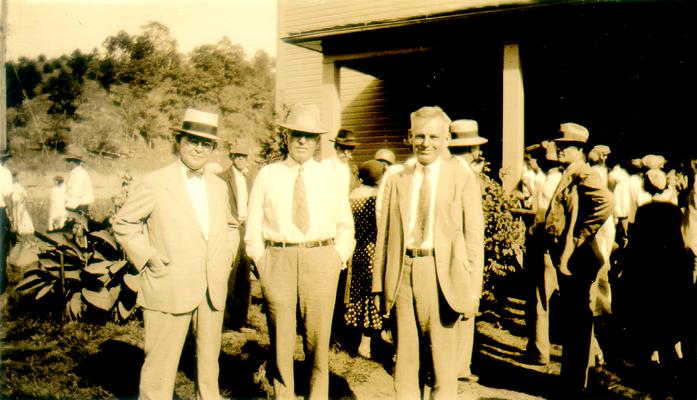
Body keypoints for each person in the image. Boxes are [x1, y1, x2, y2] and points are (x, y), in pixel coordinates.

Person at [113, 108, 239, 400]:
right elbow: (124, 223)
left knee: (209, 370)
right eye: (192, 140)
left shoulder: (218, 186)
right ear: (179, 141)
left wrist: (226, 257)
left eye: (205, 143)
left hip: (211, 289)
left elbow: (232, 227)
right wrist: (150, 257)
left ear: (212, 148)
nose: (198, 147)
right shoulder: (156, 181)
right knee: (160, 369)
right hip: (169, 282)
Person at [245, 104, 355, 399]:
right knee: (280, 335)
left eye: (309, 135)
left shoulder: (329, 176)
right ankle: (283, 394)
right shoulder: (268, 175)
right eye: (297, 134)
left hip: (320, 260)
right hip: (278, 259)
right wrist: (261, 260)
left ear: (318, 141)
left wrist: (337, 257)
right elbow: (253, 225)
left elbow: (346, 225)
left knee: (318, 339)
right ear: (287, 137)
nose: (303, 141)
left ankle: (317, 394)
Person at [373, 106, 479, 399]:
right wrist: (379, 286)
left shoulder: (462, 177)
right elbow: (385, 237)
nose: (425, 143)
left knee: (443, 369)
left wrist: (472, 291)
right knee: (405, 365)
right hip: (404, 275)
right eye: (419, 135)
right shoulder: (397, 178)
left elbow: (473, 239)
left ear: (446, 138)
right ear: (409, 137)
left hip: (441, 277)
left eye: (433, 136)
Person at [543, 122, 614, 396]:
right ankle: (571, 380)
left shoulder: (584, 172)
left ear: (580, 149)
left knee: (578, 321)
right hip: (569, 255)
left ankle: (575, 384)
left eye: (565, 147)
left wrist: (581, 235)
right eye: (559, 146)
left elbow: (605, 203)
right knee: (572, 320)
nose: (559, 151)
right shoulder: (570, 172)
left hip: (578, 257)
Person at [620, 168, 692, 371]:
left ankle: (651, 353)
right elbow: (680, 242)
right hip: (670, 267)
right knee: (667, 311)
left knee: (650, 310)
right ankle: (667, 352)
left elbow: (637, 244)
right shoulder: (674, 211)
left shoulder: (644, 211)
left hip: (649, 268)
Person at [447, 119, 486, 382]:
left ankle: (446, 364)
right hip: (464, 250)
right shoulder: (467, 176)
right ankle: (459, 367)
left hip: (445, 251)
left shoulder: (445, 170)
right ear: (472, 149)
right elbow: (472, 225)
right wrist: (473, 260)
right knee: (466, 307)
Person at [525, 141, 562, 365]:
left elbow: (540, 217)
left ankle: (540, 350)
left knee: (541, 300)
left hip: (546, 247)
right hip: (560, 247)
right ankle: (593, 352)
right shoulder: (564, 180)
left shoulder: (549, 183)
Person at [344, 159, 386, 359]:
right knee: (372, 296)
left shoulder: (352, 196)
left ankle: (354, 338)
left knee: (357, 294)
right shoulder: (377, 198)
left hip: (356, 249)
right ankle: (366, 343)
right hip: (372, 249)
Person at [219, 142, 253, 331]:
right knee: (228, 274)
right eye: (238, 156)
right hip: (229, 229)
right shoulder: (223, 178)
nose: (241, 160)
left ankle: (240, 321)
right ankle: (224, 321)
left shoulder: (249, 179)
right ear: (231, 157)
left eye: (244, 156)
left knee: (244, 274)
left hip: (246, 229)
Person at [322, 128, 357, 198]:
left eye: (350, 148)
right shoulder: (326, 165)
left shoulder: (349, 167)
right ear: (337, 147)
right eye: (343, 148)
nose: (346, 152)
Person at [64, 146, 94, 215]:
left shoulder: (78, 175)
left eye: (67, 161)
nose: (66, 163)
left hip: (79, 209)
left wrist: (65, 210)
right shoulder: (75, 173)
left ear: (73, 162)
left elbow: (76, 197)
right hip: (75, 207)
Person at [0, 150, 13, 294]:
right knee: (2, 247)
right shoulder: (5, 173)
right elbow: (8, 196)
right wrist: (13, 216)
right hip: (0, 211)